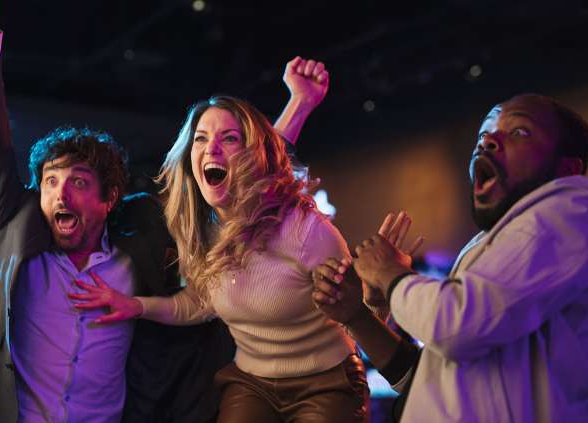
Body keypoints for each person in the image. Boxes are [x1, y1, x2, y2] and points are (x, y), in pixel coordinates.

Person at [0, 2, 333, 422]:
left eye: (78, 183)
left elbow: (234, 180)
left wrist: (299, 105)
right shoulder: (16, 226)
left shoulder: (143, 235)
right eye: (51, 183)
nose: (60, 197)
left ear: (109, 198)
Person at [71, 95, 371, 422]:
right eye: (201, 138)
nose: (211, 148)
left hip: (326, 382)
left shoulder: (306, 232)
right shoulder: (202, 228)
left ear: (254, 154)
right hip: (252, 384)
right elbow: (201, 301)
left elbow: (362, 315)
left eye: (229, 138)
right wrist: (136, 305)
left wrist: (384, 290)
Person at [313, 93, 588, 422]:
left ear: (567, 169)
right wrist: (357, 316)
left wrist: (392, 276)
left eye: (519, 131)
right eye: (484, 134)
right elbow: (422, 380)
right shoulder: (491, 245)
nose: (488, 141)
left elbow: (457, 326)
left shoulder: (571, 205)